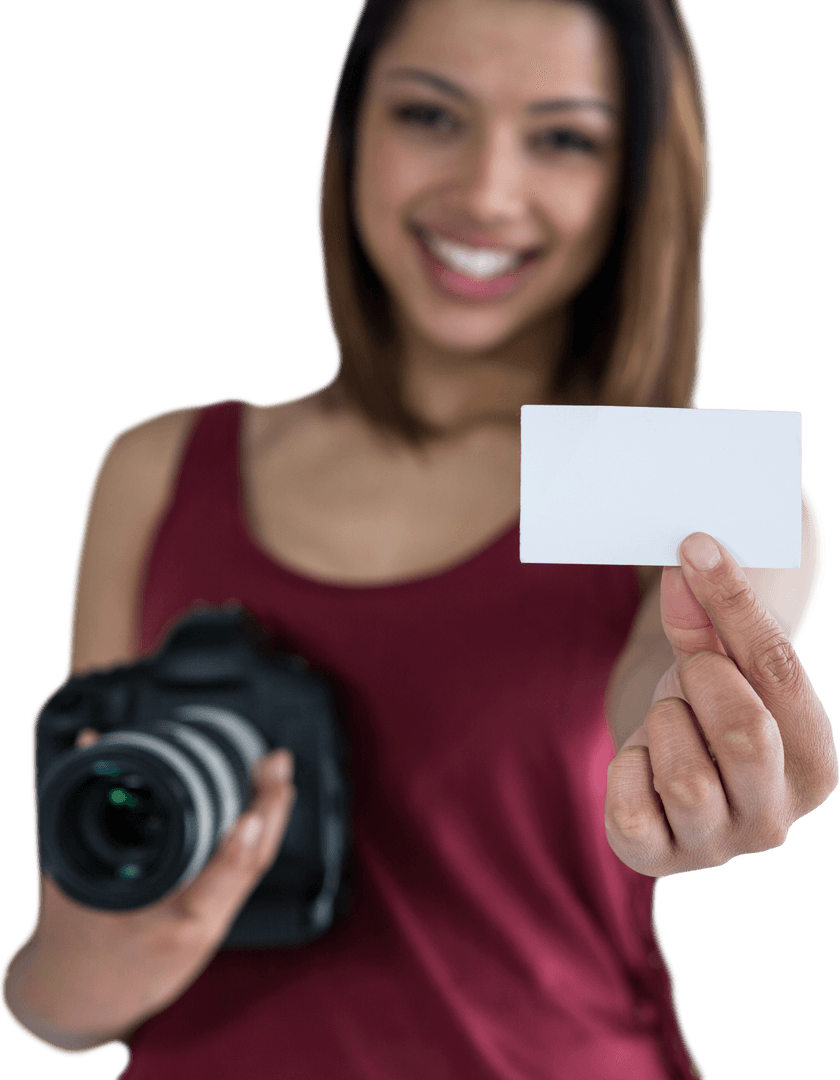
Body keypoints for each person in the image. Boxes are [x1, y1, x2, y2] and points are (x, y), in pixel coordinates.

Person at [2, 0, 836, 1077]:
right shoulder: (158, 469)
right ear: (352, 131)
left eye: (564, 137)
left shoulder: (678, 489)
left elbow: (687, 658)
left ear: (638, 177)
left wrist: (697, 752)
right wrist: (84, 973)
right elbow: (60, 986)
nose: (485, 192)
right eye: (430, 116)